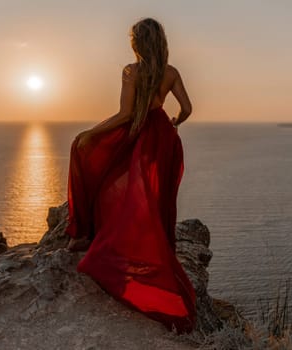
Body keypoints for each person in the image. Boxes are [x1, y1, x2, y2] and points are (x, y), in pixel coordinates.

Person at [65, 17, 195, 333]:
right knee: (154, 197)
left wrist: (91, 132)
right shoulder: (170, 72)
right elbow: (187, 108)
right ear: (161, 42)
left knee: (105, 174)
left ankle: (88, 235)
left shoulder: (132, 71)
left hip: (139, 133)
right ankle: (157, 247)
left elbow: (125, 114)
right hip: (164, 138)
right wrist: (175, 122)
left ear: (137, 43)